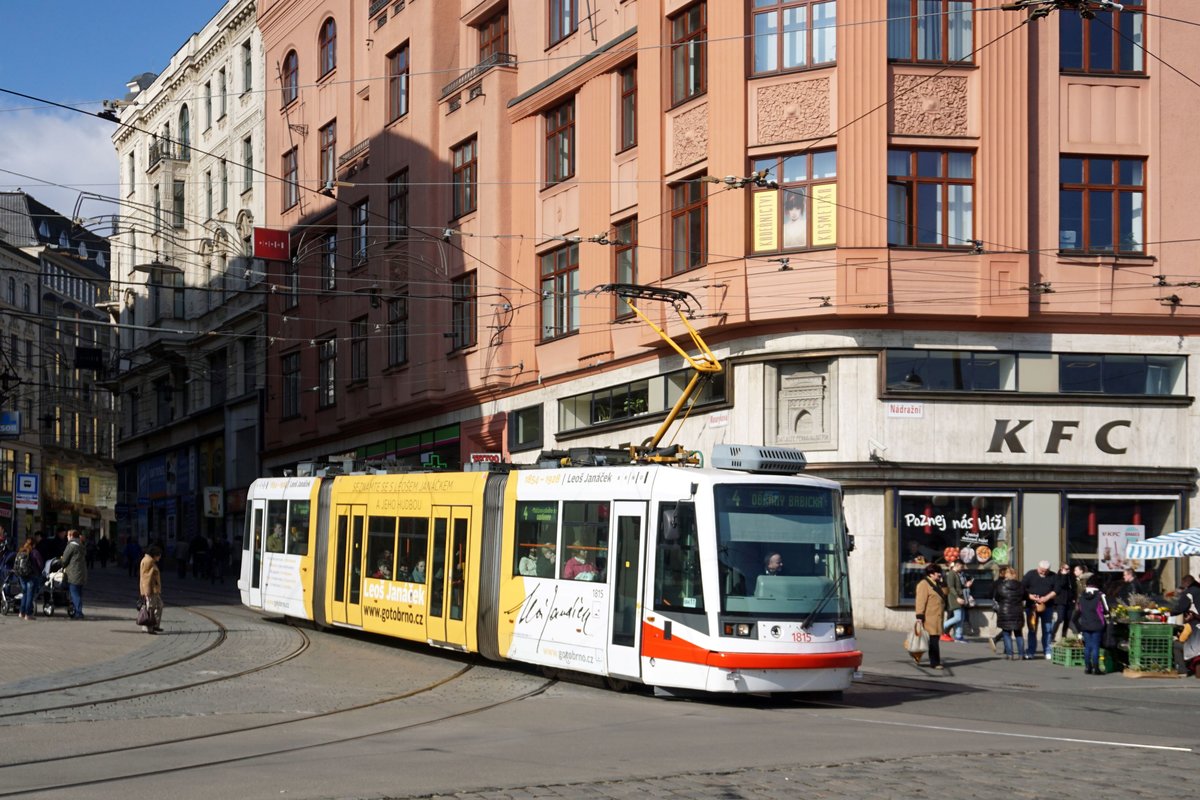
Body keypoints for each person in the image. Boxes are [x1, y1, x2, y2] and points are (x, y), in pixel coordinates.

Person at [1073, 574, 1109, 675]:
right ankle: (1096, 668)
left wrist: (1079, 628)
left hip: (1085, 624)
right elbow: (1106, 610)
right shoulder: (1100, 595)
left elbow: (1077, 612)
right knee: (1095, 646)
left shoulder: (1082, 596)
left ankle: (1087, 667)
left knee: (1088, 646)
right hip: (1097, 624)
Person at [914, 562, 947, 670]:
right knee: (933, 641)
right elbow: (920, 601)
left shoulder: (937, 583)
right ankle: (935, 662)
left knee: (932, 640)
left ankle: (918, 655)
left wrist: (943, 583)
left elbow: (946, 593)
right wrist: (919, 616)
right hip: (929, 617)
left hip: (937, 617)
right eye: (938, 572)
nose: (940, 574)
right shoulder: (923, 584)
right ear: (931, 574)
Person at [1021, 560, 1057, 659]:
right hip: (1032, 607)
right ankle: (1031, 651)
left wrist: (1047, 597)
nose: (1043, 573)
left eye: (1046, 571)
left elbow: (1056, 590)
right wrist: (1030, 596)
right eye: (1041, 570)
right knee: (1032, 629)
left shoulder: (1053, 576)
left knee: (1047, 629)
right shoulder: (1030, 574)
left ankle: (1047, 651)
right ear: (1038, 567)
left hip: (1047, 606)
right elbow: (1022, 588)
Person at [992, 566, 1026, 660]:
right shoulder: (1021, 586)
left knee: (1007, 634)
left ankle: (1010, 654)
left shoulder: (1001, 586)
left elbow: (997, 598)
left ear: (1006, 575)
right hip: (1017, 611)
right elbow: (1025, 597)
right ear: (1015, 575)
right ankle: (1021, 654)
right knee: (1018, 634)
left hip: (1005, 612)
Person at [59, 529, 88, 620]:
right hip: (81, 573)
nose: (67, 537)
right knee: (78, 593)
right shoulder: (81, 545)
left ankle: (78, 613)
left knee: (75, 594)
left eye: (68, 535)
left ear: (71, 536)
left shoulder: (71, 545)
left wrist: (61, 562)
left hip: (73, 574)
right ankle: (77, 611)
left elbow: (64, 560)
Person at [942, 560, 973, 643]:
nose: (962, 568)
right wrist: (957, 597)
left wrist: (966, 585)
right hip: (954, 598)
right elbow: (951, 587)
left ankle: (958, 636)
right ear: (957, 565)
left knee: (961, 618)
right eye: (961, 566)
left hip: (960, 597)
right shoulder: (952, 574)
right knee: (958, 617)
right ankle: (942, 627)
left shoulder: (958, 574)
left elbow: (959, 586)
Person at [13, 537, 41, 621]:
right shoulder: (34, 552)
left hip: (21, 575)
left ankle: (21, 612)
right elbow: (40, 563)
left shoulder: (21, 551)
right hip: (31, 575)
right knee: (30, 595)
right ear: (34, 544)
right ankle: (28, 614)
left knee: (24, 593)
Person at [140, 544, 164, 634]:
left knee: (159, 605)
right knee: (150, 608)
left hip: (154, 590)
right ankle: (149, 628)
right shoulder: (148, 561)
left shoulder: (150, 561)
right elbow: (146, 578)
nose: (160, 557)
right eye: (159, 555)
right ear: (155, 554)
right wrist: (147, 591)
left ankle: (155, 625)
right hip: (150, 590)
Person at [1052, 562, 1076, 640]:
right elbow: (1061, 584)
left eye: (1069, 569)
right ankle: (1052, 635)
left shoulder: (1071, 577)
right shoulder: (1057, 576)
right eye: (1066, 569)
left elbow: (1073, 588)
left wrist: (1073, 598)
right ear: (1061, 569)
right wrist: (1063, 575)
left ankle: (1064, 636)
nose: (1068, 570)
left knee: (1067, 619)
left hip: (1069, 601)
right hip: (1061, 601)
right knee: (1060, 618)